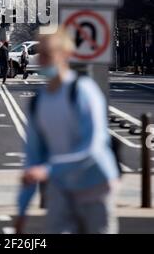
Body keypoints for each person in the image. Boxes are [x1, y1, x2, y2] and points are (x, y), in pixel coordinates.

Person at [16, 28, 120, 234]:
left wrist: (47, 171)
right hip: (60, 186)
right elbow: (32, 157)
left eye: (48, 54)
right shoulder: (38, 101)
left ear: (65, 54)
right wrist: (22, 209)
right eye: (40, 54)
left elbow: (93, 148)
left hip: (95, 184)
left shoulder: (83, 91)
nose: (43, 60)